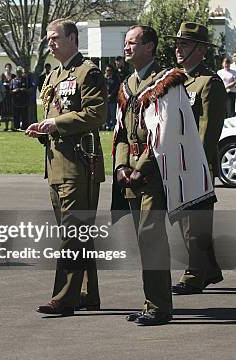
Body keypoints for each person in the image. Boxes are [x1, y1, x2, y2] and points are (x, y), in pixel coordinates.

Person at [113, 25, 214, 326]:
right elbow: (119, 132)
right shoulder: (128, 83)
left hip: (154, 172)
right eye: (126, 42)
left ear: (150, 47)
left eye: (133, 42)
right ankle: (152, 303)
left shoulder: (167, 81)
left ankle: (159, 308)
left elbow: (166, 132)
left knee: (151, 237)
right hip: (130, 170)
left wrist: (139, 167)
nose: (127, 47)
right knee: (143, 240)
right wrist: (120, 166)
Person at [25, 19, 106, 317]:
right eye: (48, 38)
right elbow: (55, 115)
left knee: (73, 232)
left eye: (55, 38)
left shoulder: (88, 72)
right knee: (77, 231)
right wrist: (43, 131)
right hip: (56, 163)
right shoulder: (54, 75)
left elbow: (96, 116)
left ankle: (64, 297)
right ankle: (87, 293)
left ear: (73, 38)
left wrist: (56, 123)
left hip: (79, 165)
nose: (50, 43)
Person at [170, 22, 225, 294]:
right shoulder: (175, 79)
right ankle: (210, 270)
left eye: (186, 44)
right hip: (175, 162)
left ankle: (194, 275)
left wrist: (195, 165)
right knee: (185, 219)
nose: (179, 49)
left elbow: (209, 130)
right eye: (178, 44)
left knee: (195, 221)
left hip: (196, 164)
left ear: (201, 49)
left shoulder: (208, 83)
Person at [10, 66, 31, 131]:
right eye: (17, 72)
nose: (19, 73)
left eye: (20, 72)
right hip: (15, 101)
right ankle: (16, 127)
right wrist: (15, 90)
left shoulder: (26, 80)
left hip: (24, 100)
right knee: (16, 115)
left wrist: (24, 89)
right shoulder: (13, 81)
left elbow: (30, 89)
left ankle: (24, 127)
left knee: (24, 115)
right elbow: (10, 91)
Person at [104, 66, 120, 130]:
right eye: (107, 70)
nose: (108, 72)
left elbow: (116, 88)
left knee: (113, 114)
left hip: (112, 99)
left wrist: (111, 95)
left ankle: (113, 125)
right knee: (106, 114)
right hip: (105, 99)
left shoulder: (115, 79)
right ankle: (107, 125)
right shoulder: (103, 78)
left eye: (109, 70)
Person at [0, 63, 15, 131]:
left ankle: (12, 126)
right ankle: (6, 126)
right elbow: (0, 84)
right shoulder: (2, 76)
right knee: (5, 110)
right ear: (5, 68)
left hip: (11, 95)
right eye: (7, 67)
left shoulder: (13, 76)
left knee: (11, 110)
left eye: (9, 67)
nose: (8, 68)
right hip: (4, 96)